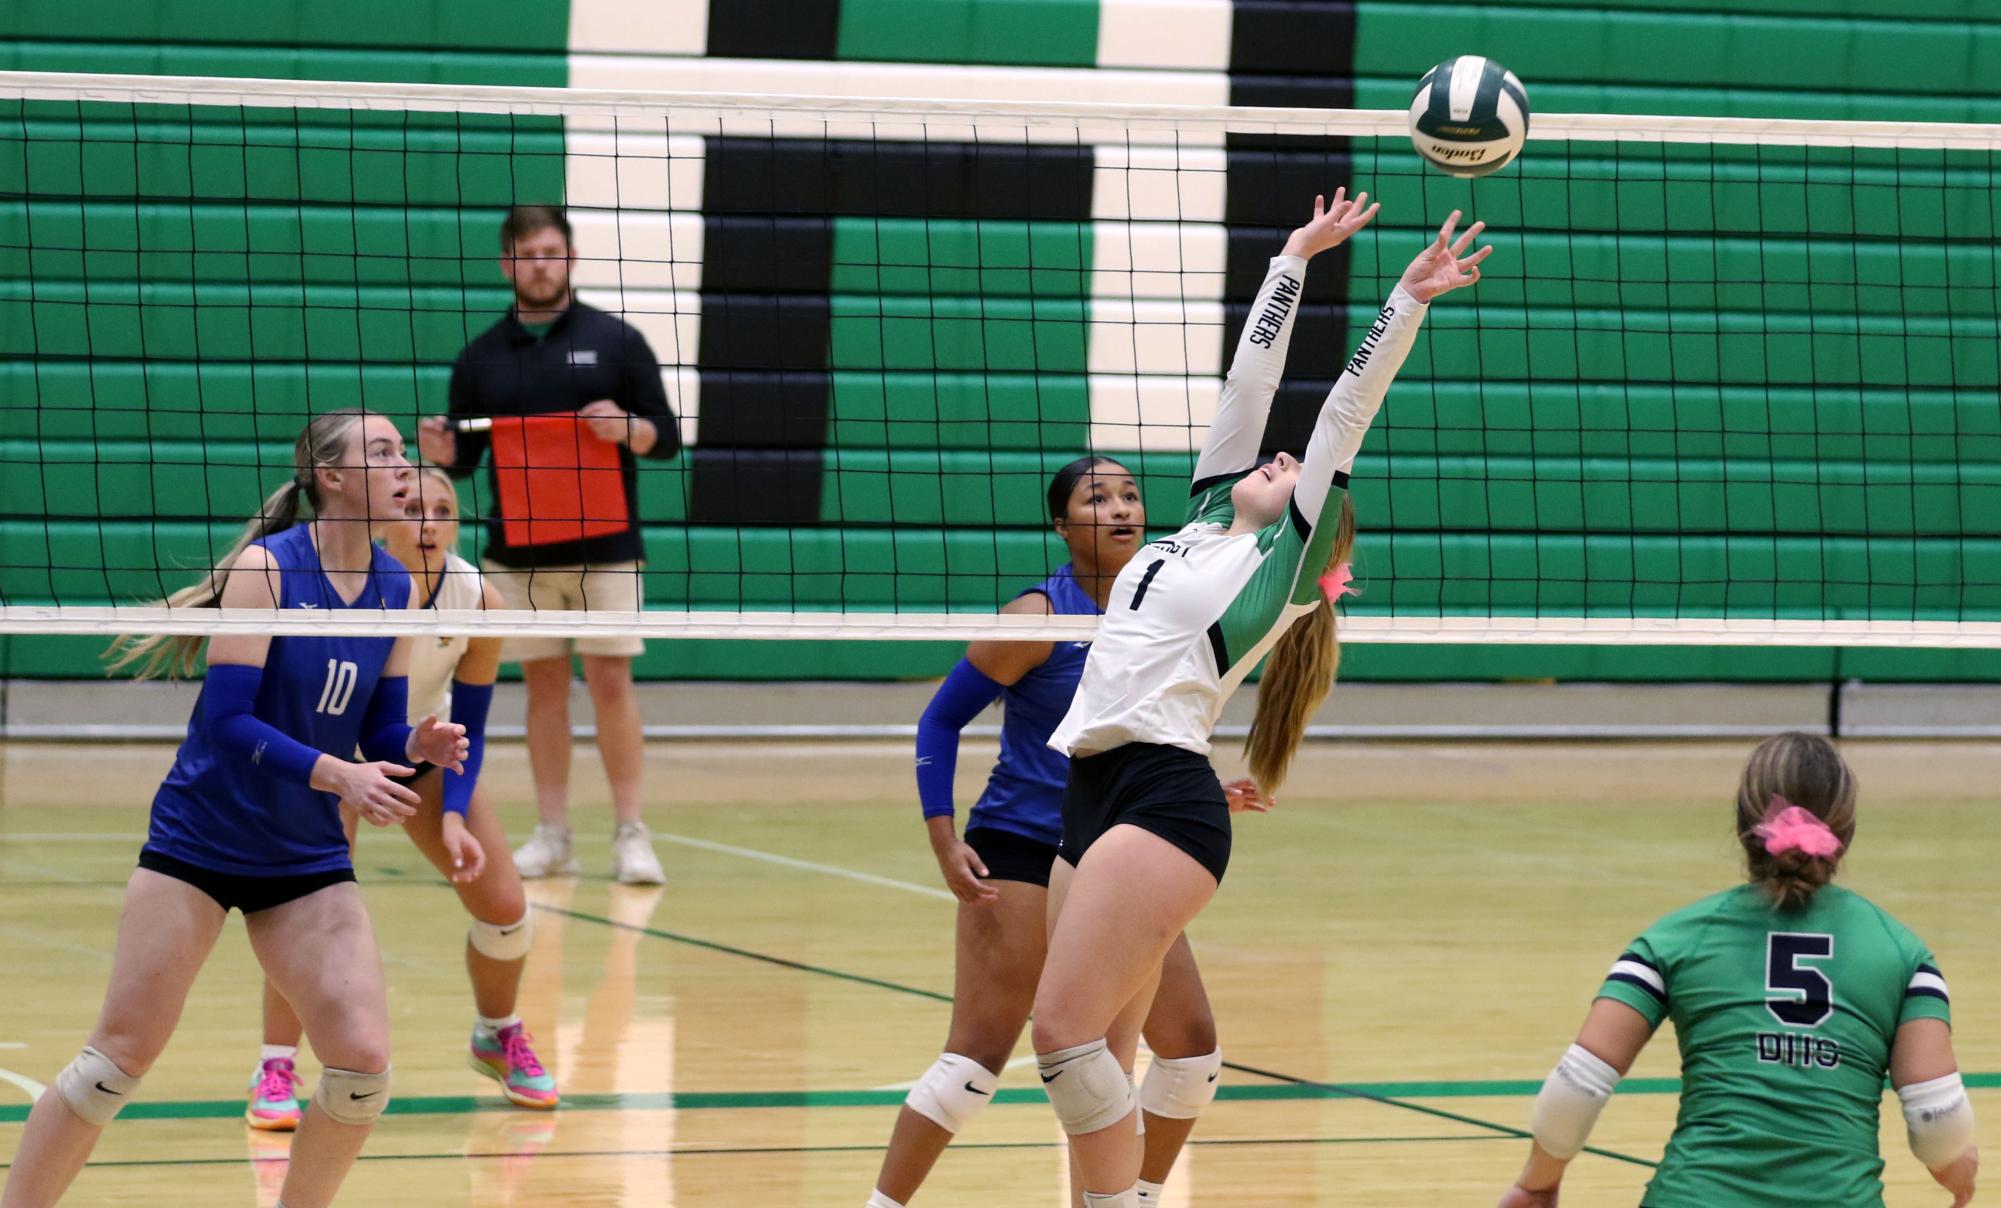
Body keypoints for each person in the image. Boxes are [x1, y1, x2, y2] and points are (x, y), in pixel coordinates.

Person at [1031, 192, 1492, 1206]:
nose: (1276, 458)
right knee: (1098, 1046)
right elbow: (1253, 381)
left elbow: (1341, 414)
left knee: (1059, 1039)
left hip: (1158, 799)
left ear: (1313, 530)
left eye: (1292, 473)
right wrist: (1291, 259)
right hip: (1092, 787)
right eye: (1272, 460)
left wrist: (1404, 301)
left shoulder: (1277, 569)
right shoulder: (1206, 517)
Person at [2, 408, 468, 1208]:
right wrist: (338, 775)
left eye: (402, 452)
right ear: (331, 477)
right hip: (200, 844)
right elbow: (226, 722)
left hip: (302, 858)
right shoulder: (269, 568)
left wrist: (415, 743)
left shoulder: (397, 585)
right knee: (116, 1063)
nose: (404, 467)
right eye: (382, 454)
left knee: (360, 1072)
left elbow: (376, 726)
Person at [867, 457, 1281, 1208]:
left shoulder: (1163, 608)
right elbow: (939, 719)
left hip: (1117, 844)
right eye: (1098, 499)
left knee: (1188, 1053)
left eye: (1130, 496)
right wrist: (940, 833)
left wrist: (1194, 790)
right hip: (1022, 848)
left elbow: (1142, 731)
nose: (1123, 509)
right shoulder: (1038, 616)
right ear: (1061, 526)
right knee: (977, 1061)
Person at [1498, 732, 1979, 1208]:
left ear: (1743, 826)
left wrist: (1536, 1185)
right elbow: (1936, 1116)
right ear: (1846, 833)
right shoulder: (1903, 953)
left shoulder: (1675, 939)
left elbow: (1578, 1085)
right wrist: (1955, 1168)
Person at [245, 467, 558, 1132]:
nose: (428, 522)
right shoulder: (352, 584)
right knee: (307, 914)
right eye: (413, 506)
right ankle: (275, 1064)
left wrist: (452, 814)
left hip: (419, 750)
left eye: (443, 510)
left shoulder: (479, 597)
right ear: (384, 518)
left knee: (505, 909)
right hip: (333, 756)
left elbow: (468, 719)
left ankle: (495, 1032)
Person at [418, 204, 681, 885]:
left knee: (610, 683)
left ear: (569, 257)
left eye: (551, 252)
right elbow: (464, 463)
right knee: (542, 691)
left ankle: (630, 834)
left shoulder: (616, 341)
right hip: (520, 554)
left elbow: (666, 437)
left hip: (606, 548)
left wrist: (628, 428)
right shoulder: (480, 358)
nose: (541, 264)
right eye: (528, 254)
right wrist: (441, 451)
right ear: (507, 264)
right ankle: (553, 834)